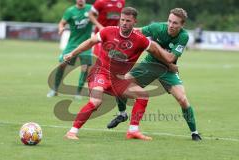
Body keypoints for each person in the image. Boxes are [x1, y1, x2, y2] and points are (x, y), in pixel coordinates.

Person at [63, 7, 176, 141]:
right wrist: (72, 53)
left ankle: (133, 131)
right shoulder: (108, 31)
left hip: (118, 80)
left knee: (143, 96)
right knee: (96, 101)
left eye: (128, 21)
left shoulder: (140, 40)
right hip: (100, 73)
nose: (124, 23)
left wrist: (170, 64)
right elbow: (90, 42)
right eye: (122, 20)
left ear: (135, 22)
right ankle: (72, 132)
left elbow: (155, 51)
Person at [108, 8, 202, 141]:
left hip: (167, 70)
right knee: (121, 84)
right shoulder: (157, 27)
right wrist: (118, 32)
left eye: (175, 23)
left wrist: (156, 49)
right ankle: (122, 114)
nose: (171, 25)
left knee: (183, 100)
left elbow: (170, 58)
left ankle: (194, 132)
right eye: (169, 21)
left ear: (182, 25)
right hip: (149, 65)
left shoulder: (183, 36)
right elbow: (137, 31)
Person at [47, 0, 93, 99]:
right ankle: (54, 89)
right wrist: (61, 28)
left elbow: (100, 17)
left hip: (86, 44)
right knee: (62, 64)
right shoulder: (70, 11)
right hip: (72, 44)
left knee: (85, 67)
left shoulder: (91, 9)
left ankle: (78, 92)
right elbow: (62, 23)